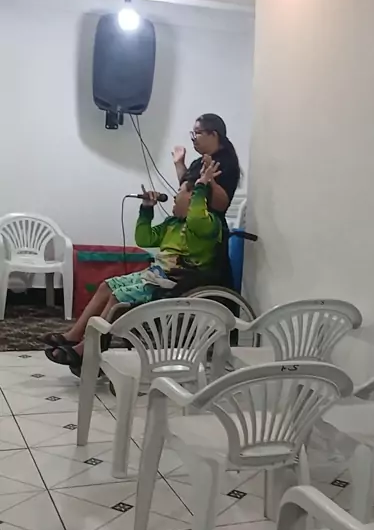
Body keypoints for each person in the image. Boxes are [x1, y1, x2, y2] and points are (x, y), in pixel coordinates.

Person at [44, 160, 222, 369]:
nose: (174, 197)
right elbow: (144, 238)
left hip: (174, 282)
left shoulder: (208, 224)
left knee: (118, 297)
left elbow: (196, 219)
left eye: (180, 192)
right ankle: (74, 335)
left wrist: (201, 186)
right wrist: (146, 209)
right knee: (106, 286)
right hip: (154, 276)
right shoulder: (172, 224)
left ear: (193, 198)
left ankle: (88, 348)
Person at [172, 114, 241, 286]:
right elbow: (186, 186)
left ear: (213, 134)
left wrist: (210, 181)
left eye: (197, 133)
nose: (193, 139)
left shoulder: (225, 163)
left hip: (207, 236)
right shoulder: (199, 162)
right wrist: (179, 163)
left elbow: (221, 204)